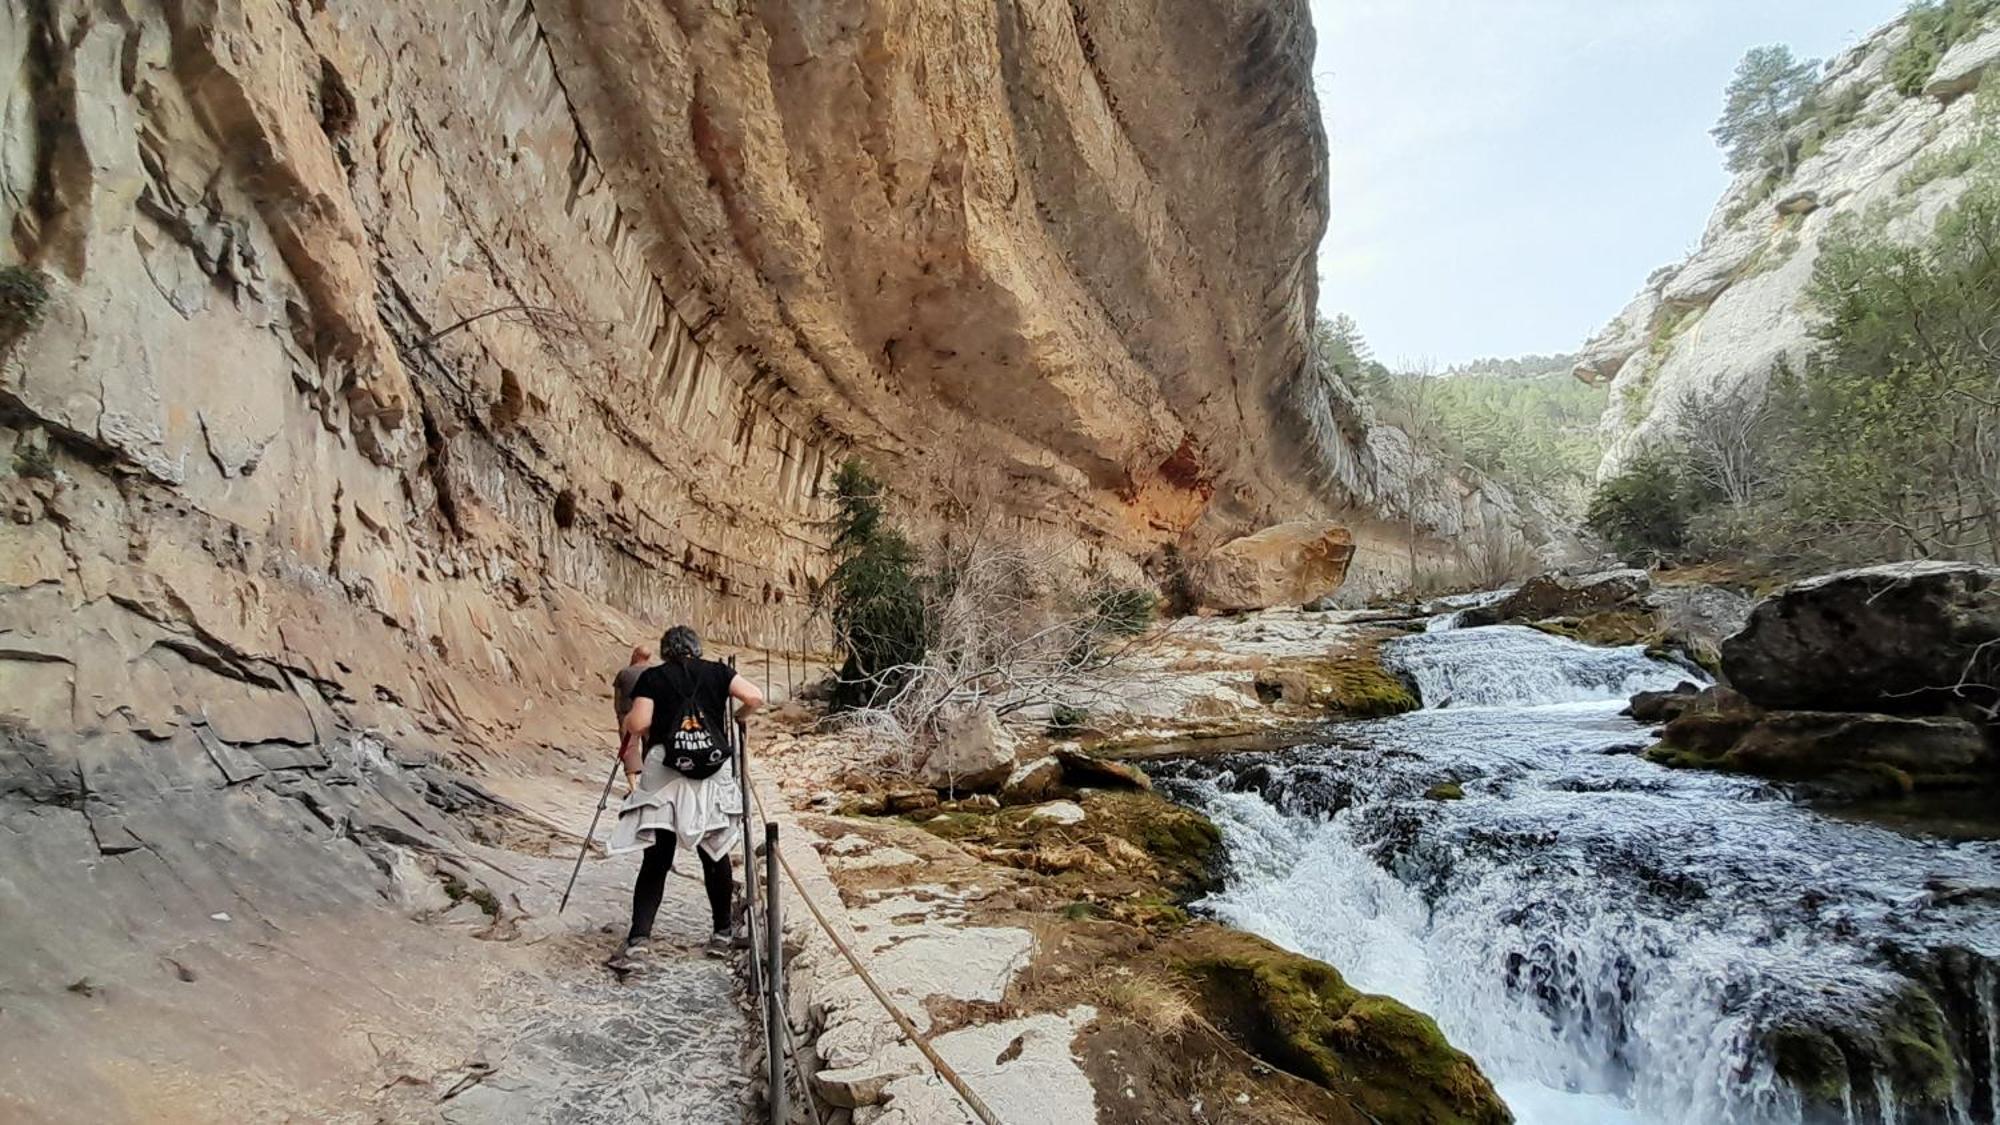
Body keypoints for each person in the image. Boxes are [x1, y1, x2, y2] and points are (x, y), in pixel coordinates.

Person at [606, 625, 764, 959]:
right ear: (697, 648)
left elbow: (638, 725)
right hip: (711, 770)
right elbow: (755, 697)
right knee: (714, 853)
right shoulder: (718, 672)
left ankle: (639, 939)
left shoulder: (654, 678)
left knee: (657, 857)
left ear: (665, 652)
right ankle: (721, 934)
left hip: (666, 770)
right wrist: (738, 717)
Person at [612, 645, 653, 734]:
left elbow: (617, 697)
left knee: (627, 745)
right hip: (647, 714)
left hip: (627, 713)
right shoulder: (655, 674)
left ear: (635, 655)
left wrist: (619, 714)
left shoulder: (624, 673)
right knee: (648, 745)